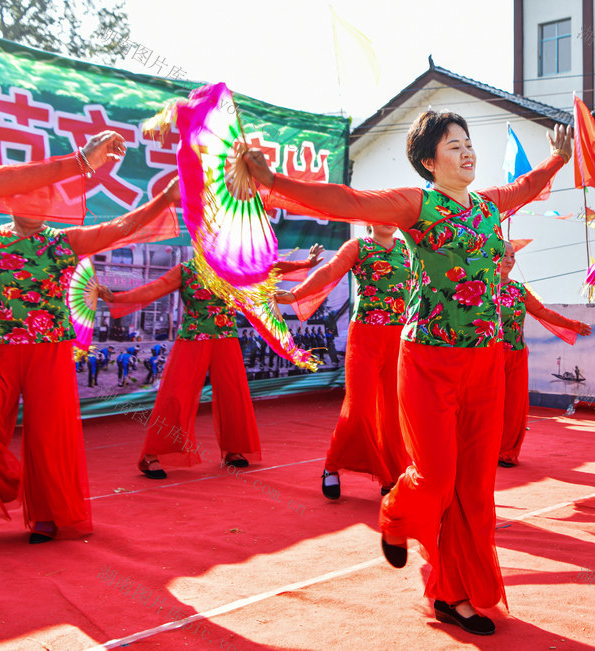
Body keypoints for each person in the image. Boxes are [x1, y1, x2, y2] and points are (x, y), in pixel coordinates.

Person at [244, 111, 571, 636]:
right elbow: (348, 201)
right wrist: (274, 181)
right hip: (428, 360)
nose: (467, 152)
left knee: (473, 488)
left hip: (484, 360)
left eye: (468, 143)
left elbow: (524, 188)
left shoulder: (488, 206)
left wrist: (558, 158)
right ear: (428, 161)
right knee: (436, 477)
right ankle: (395, 513)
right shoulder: (416, 205)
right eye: (454, 146)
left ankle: (454, 595)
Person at [0, 141, 179, 545]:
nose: (35, 199)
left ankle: (47, 513)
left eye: (44, 194)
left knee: (49, 438)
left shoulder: (65, 242)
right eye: (25, 191)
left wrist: (164, 198)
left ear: (53, 203)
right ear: (7, 197)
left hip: (49, 353)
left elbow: (122, 228)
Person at [98, 248, 321, 480]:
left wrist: (305, 263)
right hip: (194, 338)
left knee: (233, 394)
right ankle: (152, 455)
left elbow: (268, 268)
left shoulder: (233, 269)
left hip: (226, 338)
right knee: (176, 395)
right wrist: (115, 298)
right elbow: (152, 289)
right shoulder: (185, 271)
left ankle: (234, 449)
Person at [277, 224, 412, 499]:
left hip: (399, 337)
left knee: (393, 411)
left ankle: (392, 473)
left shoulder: (407, 249)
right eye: (379, 213)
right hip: (365, 336)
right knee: (359, 408)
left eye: (390, 214)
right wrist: (295, 295)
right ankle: (332, 465)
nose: (387, 220)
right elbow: (329, 272)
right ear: (369, 220)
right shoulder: (358, 247)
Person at [497, 241, 591, 467]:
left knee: (513, 406)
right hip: (488, 355)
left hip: (516, 354)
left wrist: (572, 325)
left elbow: (542, 312)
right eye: (504, 255)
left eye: (512, 256)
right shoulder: (481, 287)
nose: (509, 260)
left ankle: (506, 452)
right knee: (486, 405)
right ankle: (480, 451)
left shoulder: (518, 289)